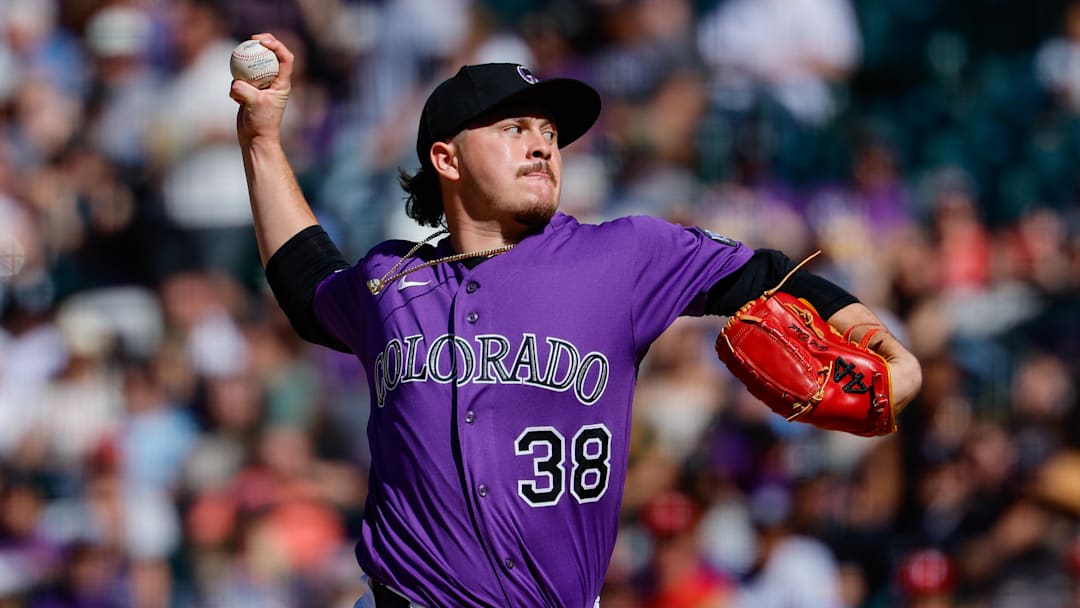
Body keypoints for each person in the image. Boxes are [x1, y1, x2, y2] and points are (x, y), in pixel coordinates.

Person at [229, 33, 922, 608]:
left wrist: (885, 346)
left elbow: (770, 274)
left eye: (550, 133)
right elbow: (305, 282)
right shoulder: (391, 281)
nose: (542, 146)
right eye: (515, 127)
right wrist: (262, 139)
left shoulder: (622, 257)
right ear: (446, 158)